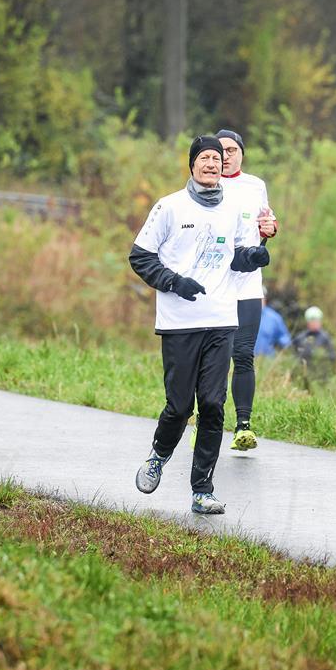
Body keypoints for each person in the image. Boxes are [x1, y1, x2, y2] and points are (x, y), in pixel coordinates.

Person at [129, 135, 270, 515]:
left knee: (212, 404)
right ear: (192, 165)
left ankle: (202, 488)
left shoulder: (235, 208)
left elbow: (235, 257)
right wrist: (174, 281)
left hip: (221, 319)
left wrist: (253, 256)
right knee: (179, 406)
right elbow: (140, 257)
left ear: (224, 166)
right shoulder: (169, 207)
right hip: (179, 323)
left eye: (216, 158)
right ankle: (159, 455)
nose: (211, 163)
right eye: (203, 158)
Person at [216, 128, 277, 450]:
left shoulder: (255, 185)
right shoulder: (206, 184)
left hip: (249, 283)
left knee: (243, 355)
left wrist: (270, 229)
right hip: (216, 283)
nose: (226, 155)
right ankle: (207, 418)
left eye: (232, 149)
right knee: (214, 357)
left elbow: (267, 221)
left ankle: (243, 426)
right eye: (220, 150)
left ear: (241, 152)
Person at [293, 305, 336, 381]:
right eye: (312, 320)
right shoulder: (299, 338)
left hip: (321, 377)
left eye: (317, 320)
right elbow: (294, 356)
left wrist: (319, 357)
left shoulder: (325, 338)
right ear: (307, 322)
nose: (315, 323)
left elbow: (332, 357)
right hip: (303, 376)